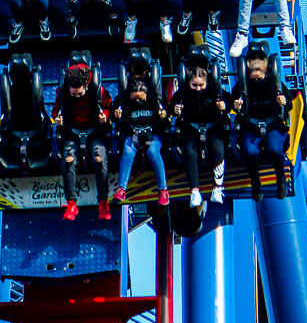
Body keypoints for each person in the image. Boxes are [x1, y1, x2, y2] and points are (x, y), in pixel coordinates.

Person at [52, 61, 113, 221]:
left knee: (99, 159)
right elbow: (55, 111)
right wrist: (57, 119)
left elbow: (108, 106)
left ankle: (103, 202)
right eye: (74, 94)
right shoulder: (64, 92)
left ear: (86, 86)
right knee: (68, 160)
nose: (77, 97)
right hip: (72, 133)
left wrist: (104, 116)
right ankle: (71, 202)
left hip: (94, 133)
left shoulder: (97, 90)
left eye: (80, 94)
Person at [232, 46, 292, 201]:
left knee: (274, 150)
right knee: (250, 153)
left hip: (273, 124)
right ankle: (255, 182)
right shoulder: (242, 86)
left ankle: (281, 179)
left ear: (266, 72)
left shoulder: (275, 84)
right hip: (251, 125)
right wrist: (235, 105)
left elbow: (290, 104)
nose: (256, 80)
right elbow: (231, 102)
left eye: (260, 77)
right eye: (253, 78)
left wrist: (284, 102)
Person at [171, 65, 229, 206]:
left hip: (212, 128)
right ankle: (194, 191)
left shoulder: (214, 91)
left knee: (217, 150)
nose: (198, 89)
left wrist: (224, 105)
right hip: (191, 129)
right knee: (190, 153)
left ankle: (217, 188)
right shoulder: (183, 94)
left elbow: (229, 100)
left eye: (201, 85)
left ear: (206, 82)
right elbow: (171, 106)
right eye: (194, 85)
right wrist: (175, 109)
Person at [112, 75, 169, 205]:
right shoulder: (122, 101)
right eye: (134, 98)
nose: (137, 101)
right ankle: (121, 188)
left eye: (141, 98)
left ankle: (163, 189)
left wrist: (164, 114)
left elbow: (168, 111)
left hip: (153, 133)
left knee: (153, 152)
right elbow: (114, 117)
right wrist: (116, 116)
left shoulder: (157, 100)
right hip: (132, 133)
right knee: (127, 151)